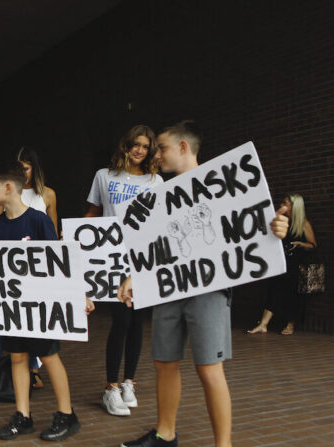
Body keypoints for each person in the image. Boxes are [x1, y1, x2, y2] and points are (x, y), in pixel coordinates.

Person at [117, 121, 290, 447]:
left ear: (184, 147)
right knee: (164, 363)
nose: (157, 155)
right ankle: (165, 434)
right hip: (169, 288)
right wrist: (133, 276)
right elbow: (152, 247)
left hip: (209, 290)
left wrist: (276, 228)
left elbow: (252, 225)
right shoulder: (160, 197)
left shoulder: (225, 184)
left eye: (163, 148)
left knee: (209, 369)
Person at [0, 160, 95, 442]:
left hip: (40, 307)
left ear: (8, 187)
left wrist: (79, 293)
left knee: (48, 355)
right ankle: (23, 416)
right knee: (18, 356)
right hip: (12, 307)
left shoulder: (38, 220)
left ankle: (67, 415)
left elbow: (60, 263)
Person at [85, 125, 163, 417]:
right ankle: (110, 386)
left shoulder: (156, 181)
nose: (139, 150)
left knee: (136, 322)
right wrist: (74, 240)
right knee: (120, 320)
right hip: (110, 258)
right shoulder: (104, 176)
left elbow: (158, 222)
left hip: (141, 259)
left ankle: (129, 381)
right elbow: (92, 215)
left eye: (145, 146)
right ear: (125, 146)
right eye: (135, 145)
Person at [0, 147, 58, 389]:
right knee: (10, 346)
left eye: (26, 167)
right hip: (7, 291)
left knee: (46, 349)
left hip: (35, 291)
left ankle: (39, 376)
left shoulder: (42, 208)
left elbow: (55, 253)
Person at [248, 193, 317, 335]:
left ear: (294, 206)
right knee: (274, 290)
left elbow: (313, 245)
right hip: (281, 262)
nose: (281, 205)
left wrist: (300, 244)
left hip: (296, 264)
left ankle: (290, 324)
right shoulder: (282, 221)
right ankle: (263, 324)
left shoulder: (303, 224)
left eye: (285, 203)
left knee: (294, 294)